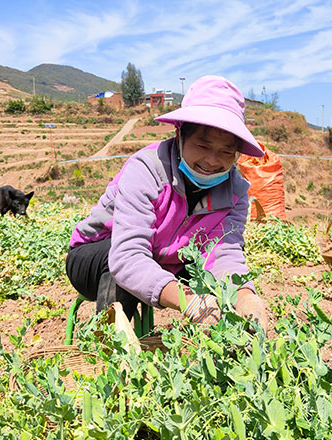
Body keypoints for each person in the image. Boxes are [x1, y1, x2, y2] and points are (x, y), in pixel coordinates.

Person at [66, 75, 267, 330]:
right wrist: (187, 300)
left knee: (218, 286)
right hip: (96, 257)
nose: (212, 160)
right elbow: (127, 255)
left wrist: (244, 297)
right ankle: (112, 353)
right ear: (180, 133)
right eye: (202, 145)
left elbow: (224, 254)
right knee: (119, 264)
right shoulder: (148, 169)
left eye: (226, 152)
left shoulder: (235, 192)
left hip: (166, 261)